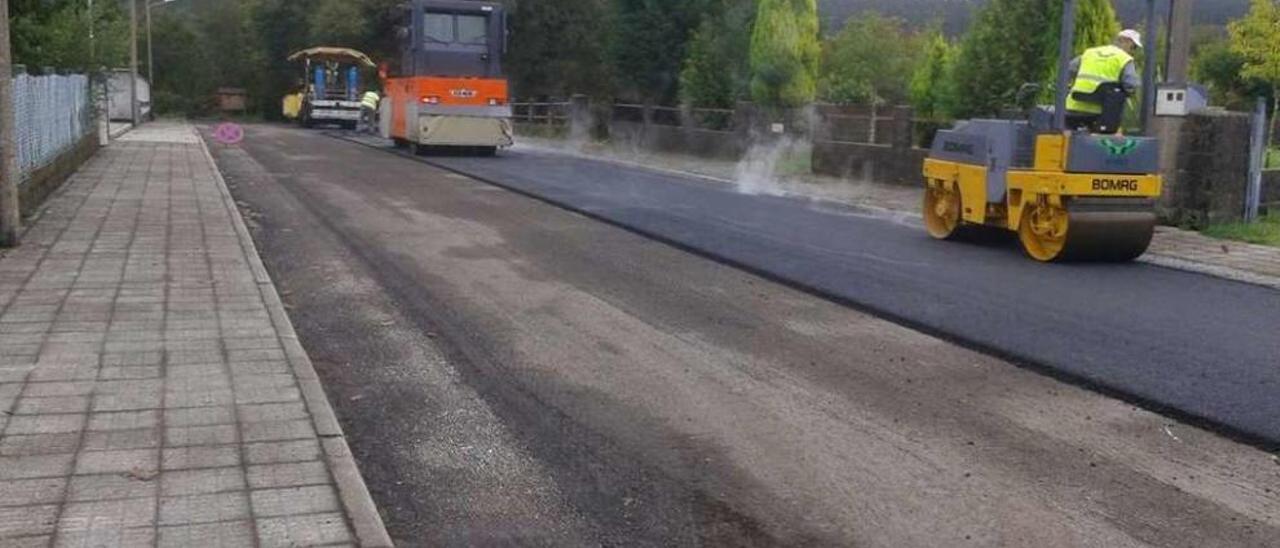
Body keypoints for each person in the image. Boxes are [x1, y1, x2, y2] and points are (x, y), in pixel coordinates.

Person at [1065, 29, 1143, 133]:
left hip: (1073, 107)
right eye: (1134, 47)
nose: (1133, 51)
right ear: (1126, 41)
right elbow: (1131, 85)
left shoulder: (1090, 52)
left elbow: (1069, 69)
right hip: (1100, 112)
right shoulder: (1124, 59)